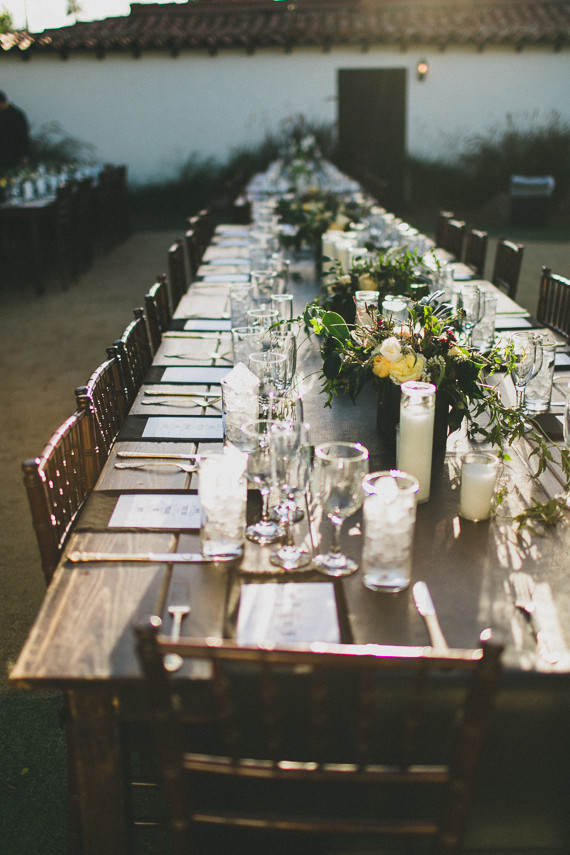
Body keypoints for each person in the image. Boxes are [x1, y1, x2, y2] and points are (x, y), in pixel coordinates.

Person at [0, 90, 30, 171]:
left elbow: (23, 136)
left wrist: (24, 156)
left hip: (14, 157)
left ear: (2, 102)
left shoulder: (17, 116)